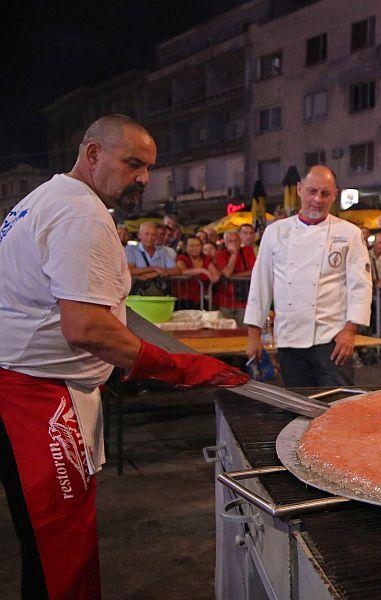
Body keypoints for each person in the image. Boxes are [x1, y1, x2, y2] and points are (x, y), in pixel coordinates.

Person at [0, 115, 247, 599]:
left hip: (27, 384)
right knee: (61, 557)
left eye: (149, 168)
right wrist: (179, 367)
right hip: (38, 399)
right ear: (93, 154)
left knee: (44, 550)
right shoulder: (79, 213)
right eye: (133, 164)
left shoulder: (42, 200)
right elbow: (86, 327)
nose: (143, 179)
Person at [244, 165, 372, 387]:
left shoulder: (349, 233)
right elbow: (261, 284)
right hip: (289, 338)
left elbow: (360, 285)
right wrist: (254, 334)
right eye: (312, 191)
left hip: (333, 340)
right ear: (299, 189)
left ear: (335, 195)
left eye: (325, 193)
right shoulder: (275, 232)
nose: (318, 199)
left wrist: (350, 331)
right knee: (300, 407)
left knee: (337, 406)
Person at [213, 229, 256, 323]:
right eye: (230, 241)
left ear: (240, 240)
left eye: (236, 240)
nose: (234, 243)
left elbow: (254, 271)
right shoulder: (221, 255)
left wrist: (234, 276)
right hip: (225, 300)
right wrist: (234, 254)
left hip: (244, 300)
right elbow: (228, 273)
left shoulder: (248, 250)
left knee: (243, 332)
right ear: (225, 242)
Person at [126, 221, 180, 295]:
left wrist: (155, 274)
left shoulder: (162, 251)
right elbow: (129, 270)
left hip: (159, 293)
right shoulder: (131, 249)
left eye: (153, 234)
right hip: (137, 294)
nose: (150, 237)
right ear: (139, 235)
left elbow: (176, 271)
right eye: (147, 234)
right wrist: (154, 268)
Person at [175, 235, 220, 309]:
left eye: (197, 245)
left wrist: (215, 276)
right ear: (186, 247)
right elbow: (182, 271)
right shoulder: (181, 258)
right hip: (183, 299)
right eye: (191, 246)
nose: (195, 248)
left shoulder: (205, 258)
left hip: (201, 299)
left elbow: (215, 273)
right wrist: (203, 270)